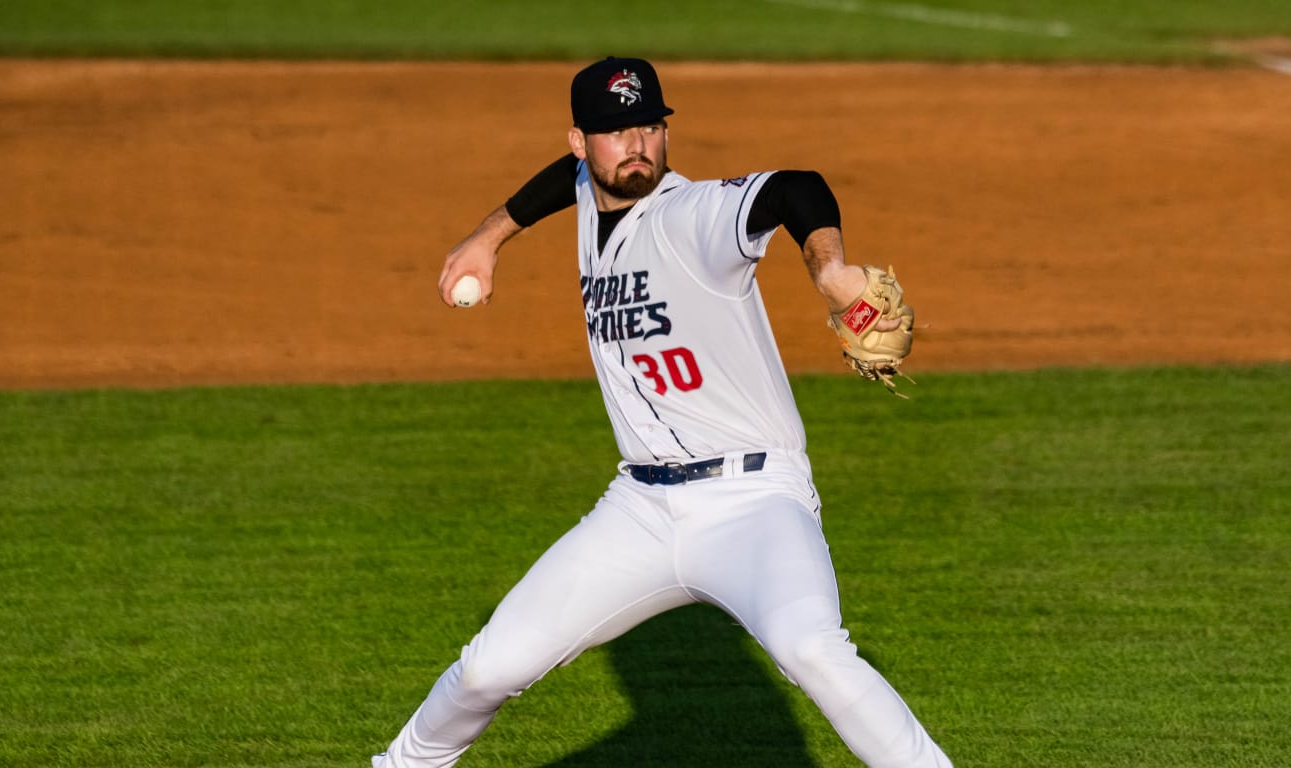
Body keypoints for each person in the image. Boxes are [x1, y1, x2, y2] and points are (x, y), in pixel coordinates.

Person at [372, 56, 950, 768]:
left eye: (649, 125)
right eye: (615, 131)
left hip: (753, 502)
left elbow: (796, 189)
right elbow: (566, 184)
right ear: (581, 143)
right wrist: (489, 237)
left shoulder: (692, 216)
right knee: (490, 668)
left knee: (813, 651)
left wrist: (829, 270)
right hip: (639, 510)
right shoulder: (590, 190)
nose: (637, 144)